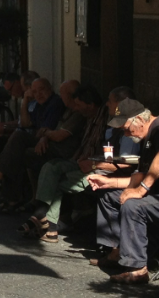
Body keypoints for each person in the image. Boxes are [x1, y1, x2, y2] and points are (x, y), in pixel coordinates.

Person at [87, 100, 159, 283]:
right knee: (108, 195)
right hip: (158, 194)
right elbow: (140, 175)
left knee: (133, 205)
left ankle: (138, 269)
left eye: (125, 128)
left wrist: (141, 190)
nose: (125, 133)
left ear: (138, 119)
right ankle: (117, 251)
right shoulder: (146, 135)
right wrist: (109, 182)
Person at [20, 85, 111, 241]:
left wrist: (93, 163)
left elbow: (109, 155)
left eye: (79, 105)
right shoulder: (88, 117)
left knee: (55, 180)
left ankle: (47, 224)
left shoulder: (106, 120)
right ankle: (43, 216)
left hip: (94, 166)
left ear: (90, 104)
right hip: (79, 160)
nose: (75, 108)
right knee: (50, 167)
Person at [0, 79, 79, 212]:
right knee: (16, 150)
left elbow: (53, 133)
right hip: (43, 141)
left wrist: (45, 135)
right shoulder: (39, 104)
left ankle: (4, 184)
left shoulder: (57, 103)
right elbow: (25, 124)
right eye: (34, 91)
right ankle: (9, 194)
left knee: (19, 143)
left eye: (41, 90)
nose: (38, 94)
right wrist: (25, 101)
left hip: (56, 148)